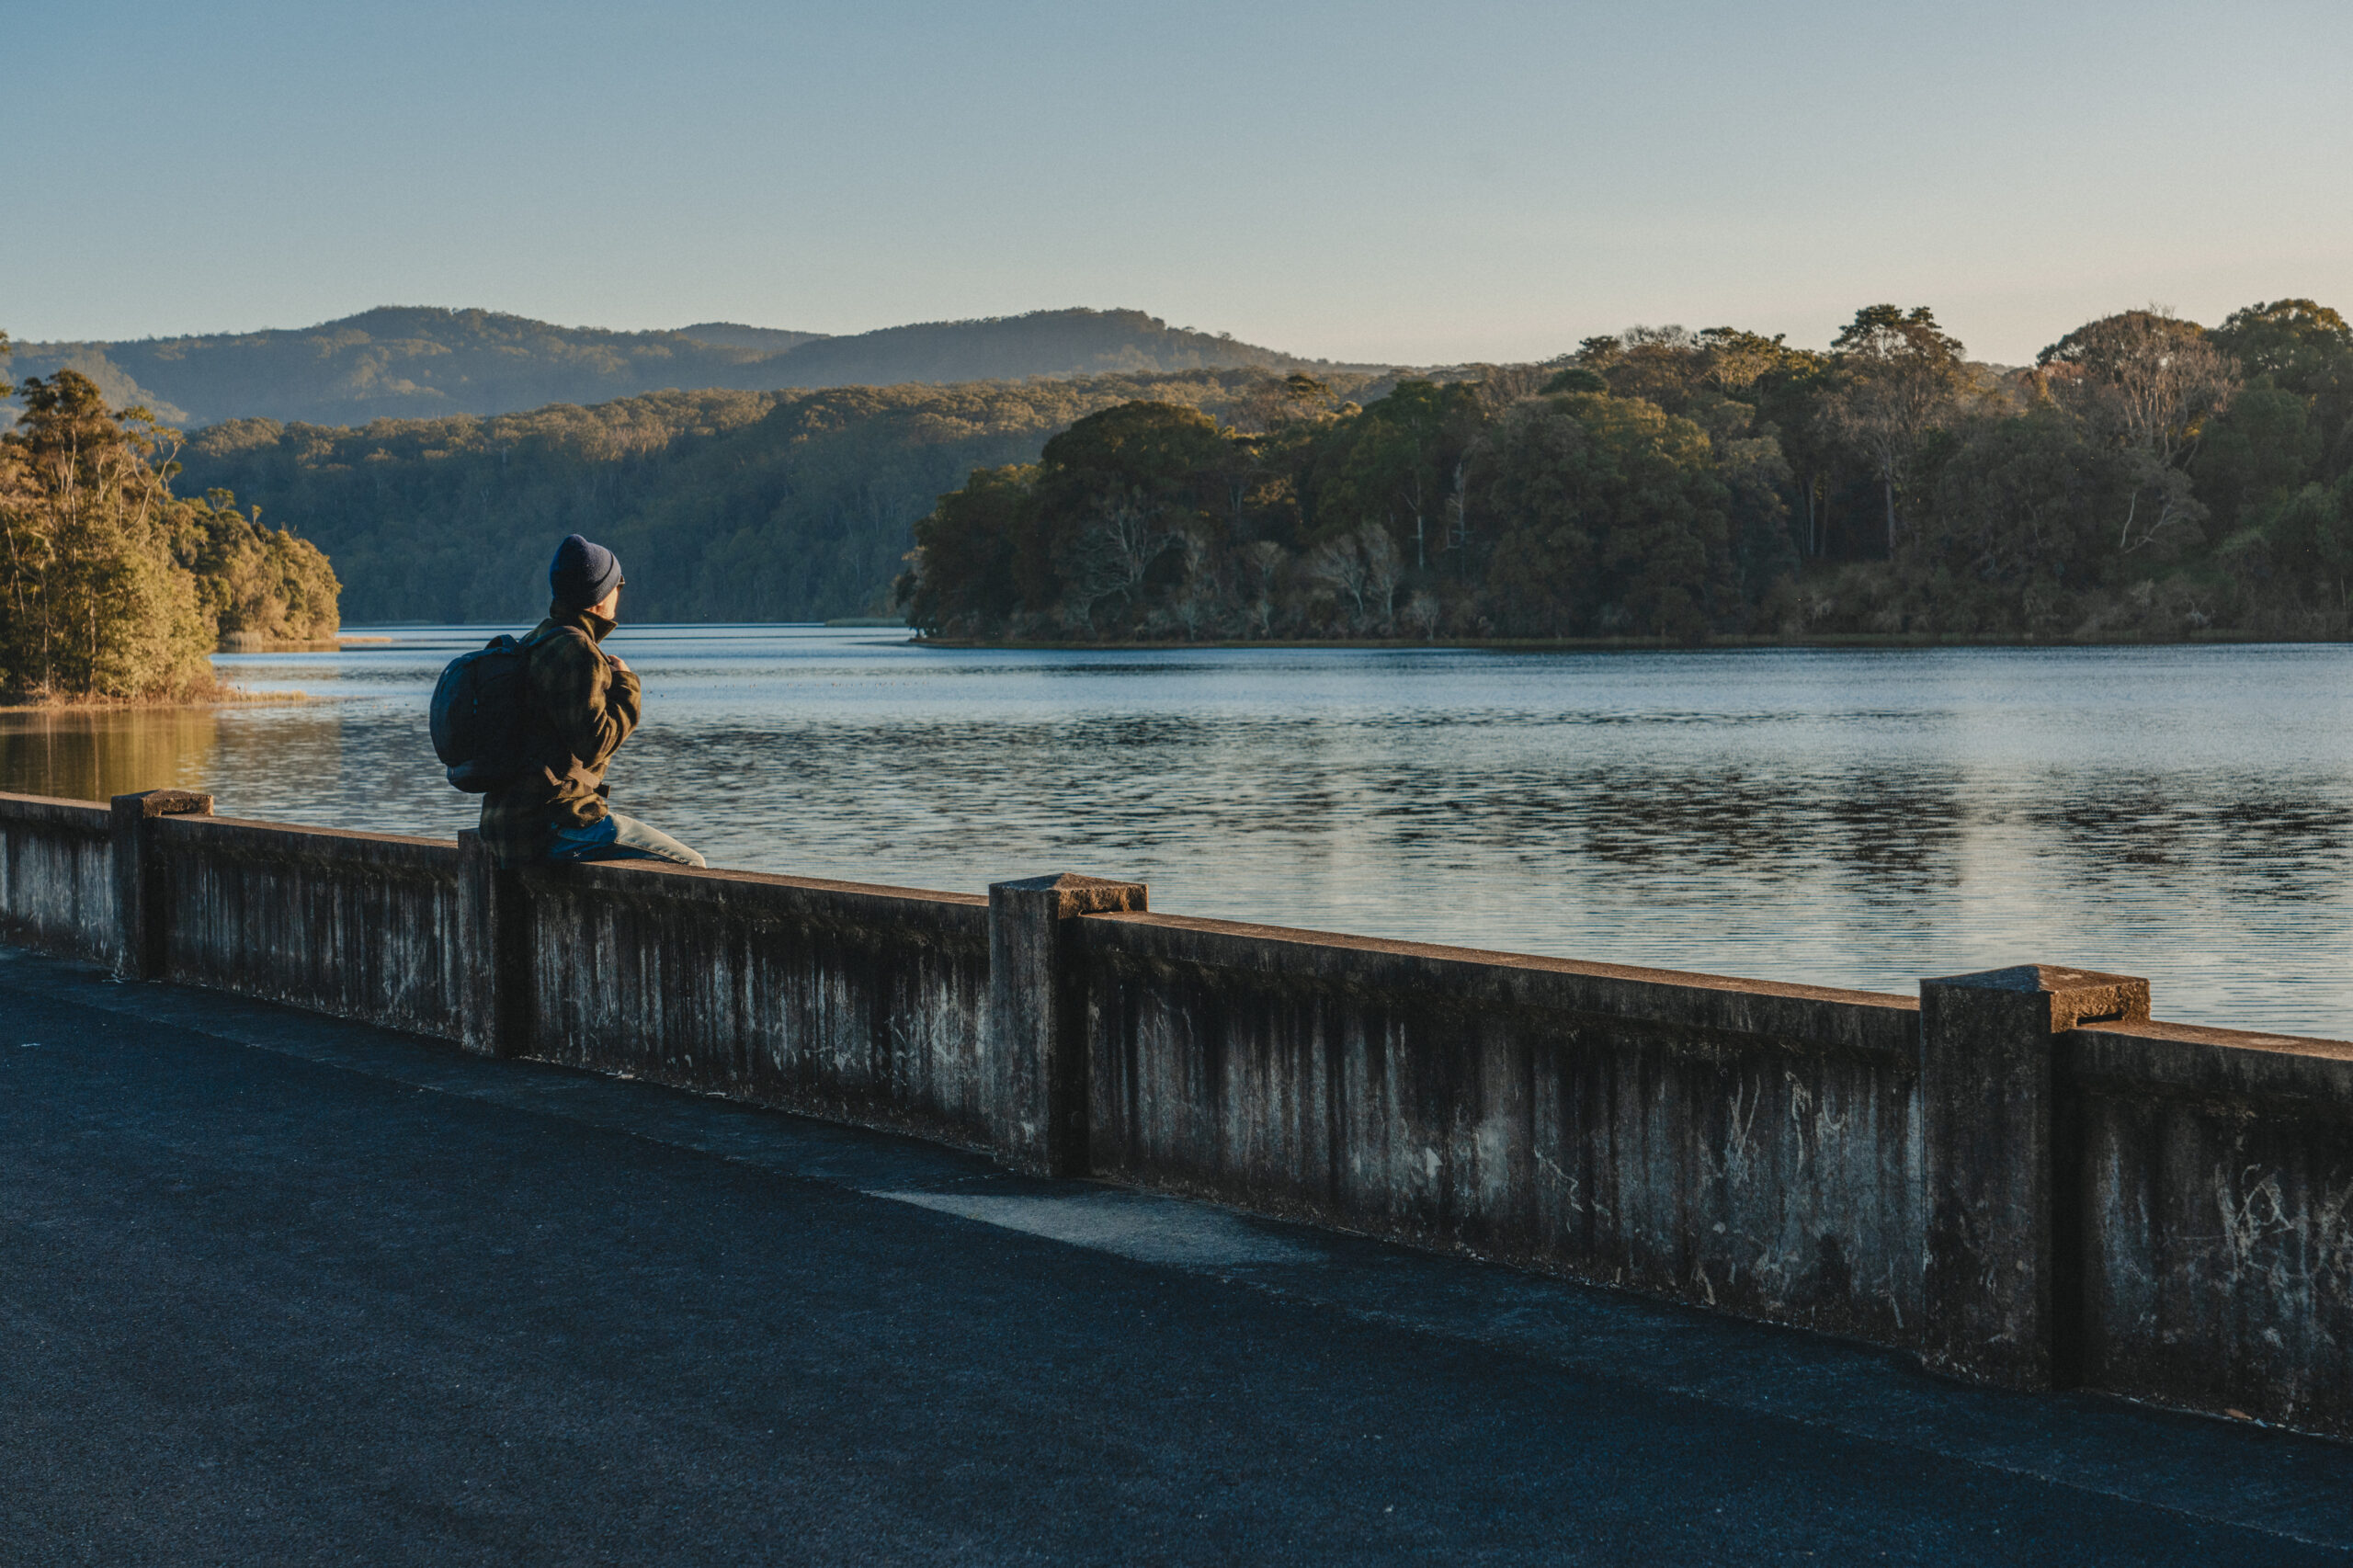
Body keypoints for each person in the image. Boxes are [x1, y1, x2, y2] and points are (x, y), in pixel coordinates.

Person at [479, 534, 706, 870]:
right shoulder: (577, 651)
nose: (620, 594)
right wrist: (627, 686)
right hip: (554, 827)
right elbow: (595, 743)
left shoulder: (533, 642)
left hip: (505, 826)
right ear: (600, 596)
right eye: (619, 585)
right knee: (691, 864)